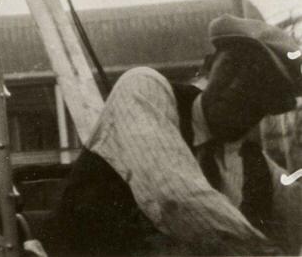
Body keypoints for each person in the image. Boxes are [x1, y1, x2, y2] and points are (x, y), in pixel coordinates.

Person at [46, 14, 302, 255]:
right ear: (209, 65)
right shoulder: (144, 89)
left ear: (276, 104)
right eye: (231, 66)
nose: (237, 86)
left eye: (257, 81)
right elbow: (176, 199)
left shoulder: (262, 172)